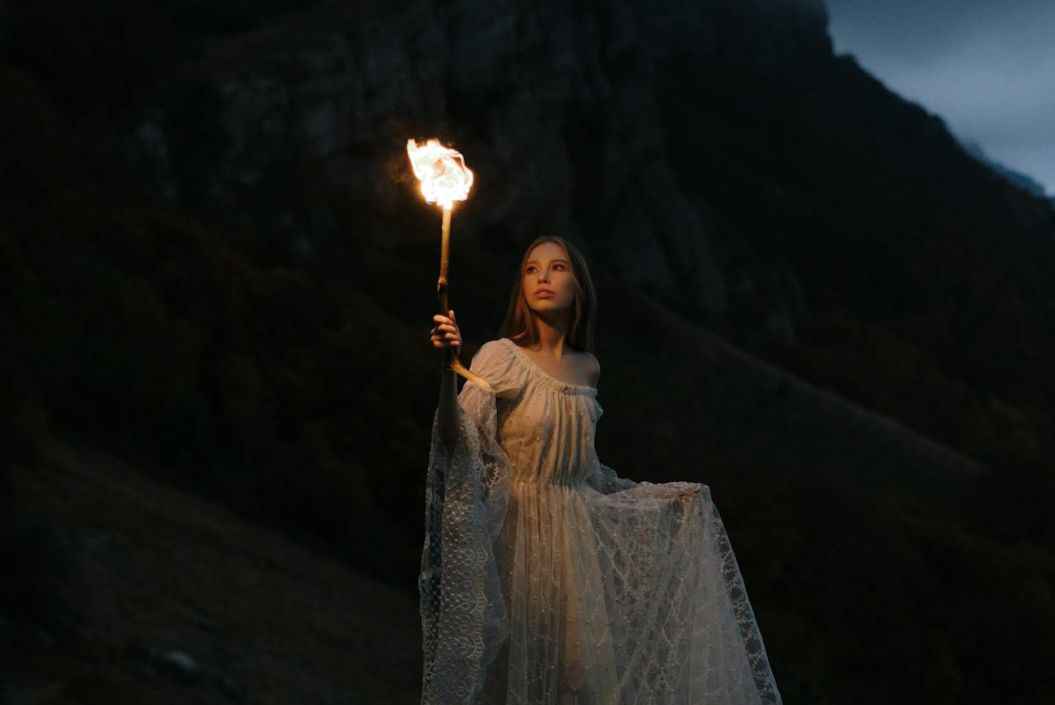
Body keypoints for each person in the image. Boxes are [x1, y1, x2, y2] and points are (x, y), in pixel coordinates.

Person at [420, 236, 782, 705]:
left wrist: (661, 501)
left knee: (584, 687)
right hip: (519, 538)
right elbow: (457, 442)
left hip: (574, 552)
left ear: (579, 286)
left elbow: (586, 475)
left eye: (556, 268)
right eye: (531, 269)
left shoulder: (587, 368)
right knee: (515, 682)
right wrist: (449, 372)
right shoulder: (501, 355)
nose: (543, 278)